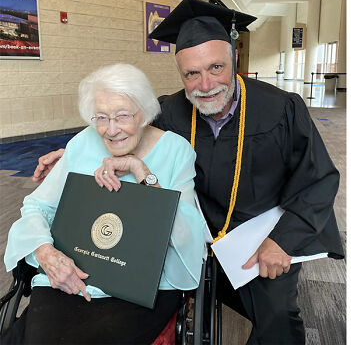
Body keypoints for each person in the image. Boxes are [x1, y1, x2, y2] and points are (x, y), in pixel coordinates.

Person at [32, 0, 344, 344]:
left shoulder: (281, 109)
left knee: (278, 319)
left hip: (260, 236)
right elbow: (122, 128)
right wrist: (72, 153)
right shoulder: (170, 110)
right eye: (191, 74)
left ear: (233, 58)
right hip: (189, 235)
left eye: (216, 68)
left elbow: (318, 180)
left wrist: (283, 242)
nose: (206, 85)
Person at [3, 63, 208, 344]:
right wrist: (45, 253)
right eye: (101, 117)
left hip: (141, 289)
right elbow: (37, 207)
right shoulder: (82, 142)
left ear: (145, 114)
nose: (111, 130)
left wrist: (142, 171)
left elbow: (186, 234)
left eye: (122, 116)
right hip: (71, 279)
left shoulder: (176, 151)